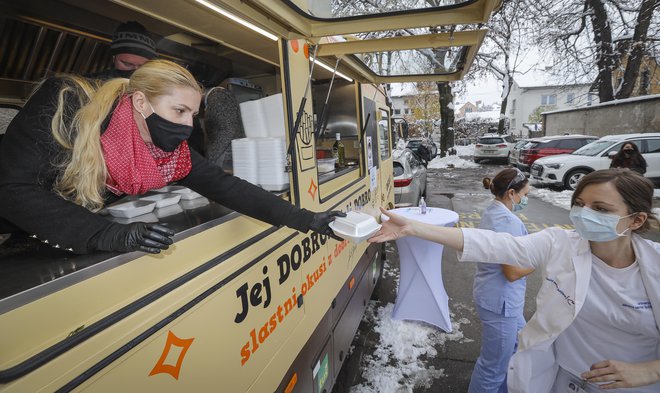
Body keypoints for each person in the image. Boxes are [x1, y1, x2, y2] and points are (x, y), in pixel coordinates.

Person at [0, 60, 343, 254]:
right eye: (178, 110)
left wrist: (306, 220)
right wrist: (108, 233)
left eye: (193, 115)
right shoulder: (68, 103)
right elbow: (12, 187)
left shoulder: (168, 153)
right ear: (140, 102)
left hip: (51, 234)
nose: (186, 125)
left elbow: (224, 185)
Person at [369, 169, 660, 393]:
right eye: (580, 204)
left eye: (601, 209)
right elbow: (494, 244)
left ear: (636, 220)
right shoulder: (561, 243)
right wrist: (414, 228)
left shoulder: (654, 266)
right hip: (563, 381)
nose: (584, 215)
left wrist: (651, 371)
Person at [469, 168, 535, 393]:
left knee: (520, 346)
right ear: (511, 193)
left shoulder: (493, 211)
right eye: (524, 195)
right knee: (493, 366)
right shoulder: (508, 222)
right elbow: (512, 272)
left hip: (498, 299)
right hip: (501, 303)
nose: (525, 199)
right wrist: (538, 260)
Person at [88, 21, 157, 80]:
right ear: (114, 58)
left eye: (142, 66)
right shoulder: (90, 85)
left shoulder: (156, 90)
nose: (134, 72)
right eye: (127, 64)